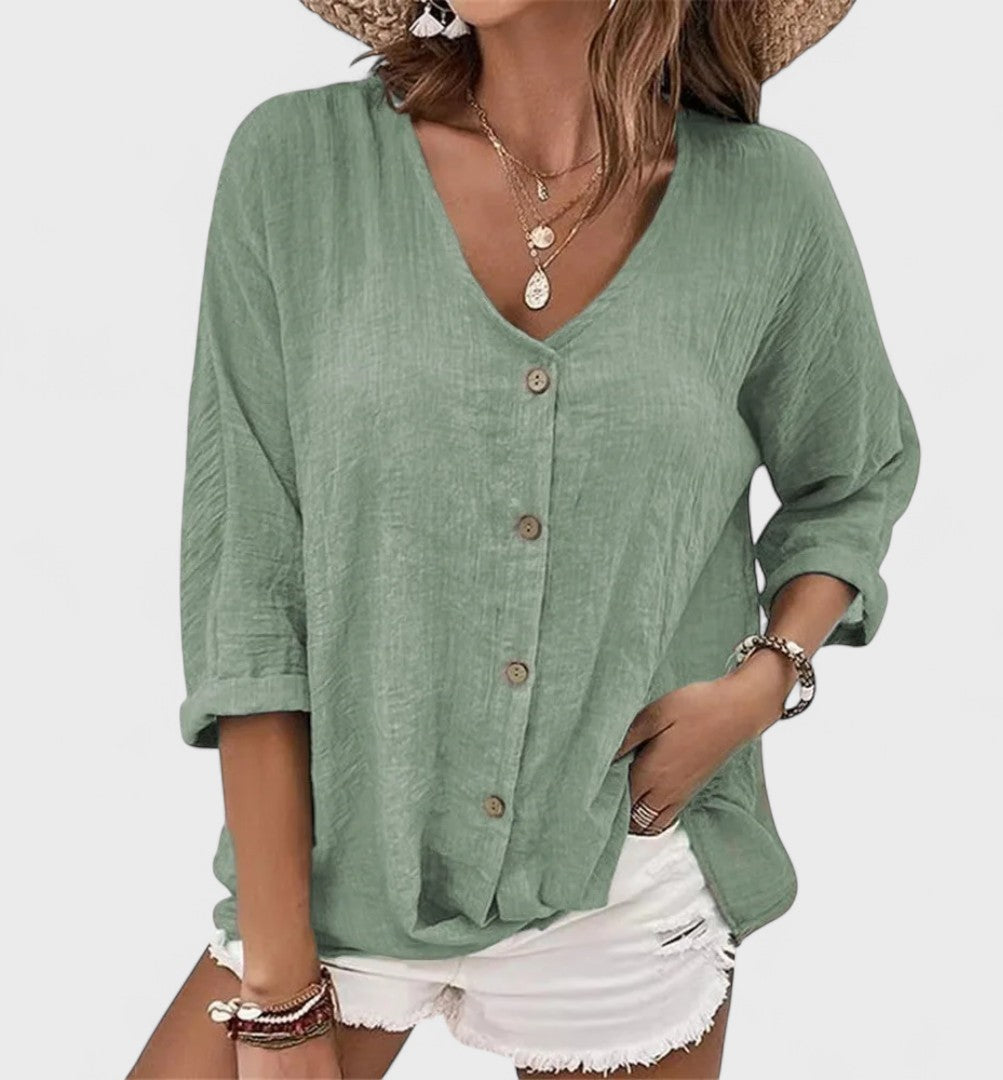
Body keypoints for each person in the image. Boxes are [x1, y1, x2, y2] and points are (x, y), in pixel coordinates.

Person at [128, 1, 920, 1076]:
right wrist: (277, 995)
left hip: (627, 875)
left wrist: (763, 681)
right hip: (334, 873)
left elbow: (854, 475)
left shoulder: (768, 201)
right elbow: (249, 582)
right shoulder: (298, 166)